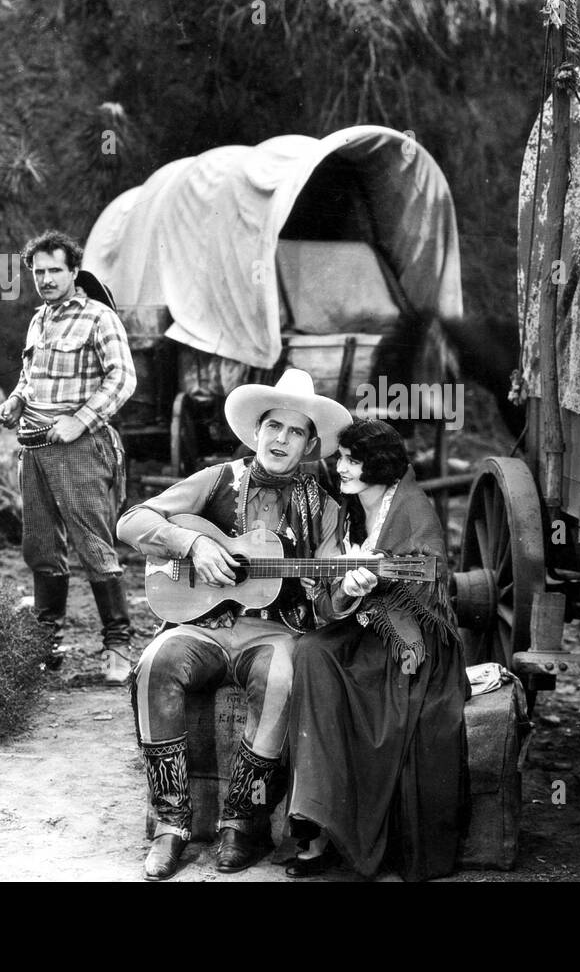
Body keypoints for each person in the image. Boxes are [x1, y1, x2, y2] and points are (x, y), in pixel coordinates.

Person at [117, 368, 357, 880]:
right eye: (274, 426)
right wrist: (194, 544)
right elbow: (131, 521)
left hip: (273, 632)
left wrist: (348, 588)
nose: (281, 439)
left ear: (310, 444)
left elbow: (329, 601)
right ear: (257, 431)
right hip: (202, 626)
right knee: (156, 662)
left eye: (296, 432)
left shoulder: (327, 510)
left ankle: (241, 823)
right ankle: (171, 823)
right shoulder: (217, 479)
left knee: (281, 678)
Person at [285, 418, 470, 881]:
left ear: (380, 466)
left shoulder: (411, 508)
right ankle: (315, 822)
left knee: (359, 680)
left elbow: (431, 581)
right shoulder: (345, 511)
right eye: (341, 458)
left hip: (409, 640)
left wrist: (378, 578)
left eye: (352, 460)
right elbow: (327, 598)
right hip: (364, 626)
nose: (341, 467)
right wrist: (347, 588)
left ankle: (343, 832)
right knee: (311, 652)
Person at [0, 230, 137, 684]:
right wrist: (15, 400)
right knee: (39, 546)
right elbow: (30, 376)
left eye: (55, 270)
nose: (46, 279)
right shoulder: (39, 320)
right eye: (38, 272)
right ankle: (46, 645)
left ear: (74, 271)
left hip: (79, 445)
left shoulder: (99, 318)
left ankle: (117, 646)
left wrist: (82, 419)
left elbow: (122, 378)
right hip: (34, 446)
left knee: (94, 544)